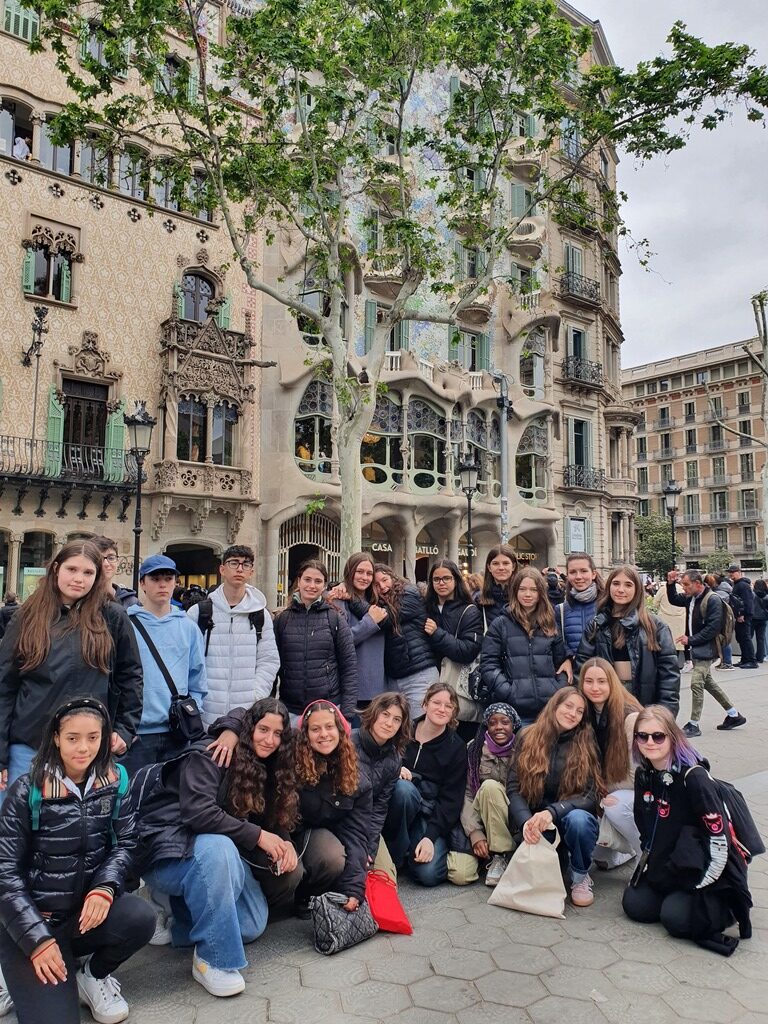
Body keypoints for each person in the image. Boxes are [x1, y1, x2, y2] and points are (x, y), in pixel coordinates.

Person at [0, 698, 155, 1024]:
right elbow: (4, 872)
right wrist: (38, 941)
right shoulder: (28, 791)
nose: (83, 748)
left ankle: (92, 975)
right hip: (34, 922)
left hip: (82, 916)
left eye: (93, 737)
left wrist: (104, 888)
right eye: (73, 738)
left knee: (140, 917)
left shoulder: (115, 781)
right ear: (56, 738)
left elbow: (127, 842)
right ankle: (15, 972)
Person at [137, 698, 301, 996]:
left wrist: (285, 842)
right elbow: (198, 814)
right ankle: (212, 959)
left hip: (211, 855)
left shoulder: (264, 764)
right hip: (167, 850)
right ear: (249, 728)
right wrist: (258, 836)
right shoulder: (212, 753)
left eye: (278, 734)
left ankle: (176, 915)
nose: (269, 740)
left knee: (251, 924)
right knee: (221, 845)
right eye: (263, 730)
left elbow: (269, 817)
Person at [0, 540, 143, 794]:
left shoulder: (112, 616)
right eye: (72, 569)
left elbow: (130, 676)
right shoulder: (26, 616)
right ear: (56, 569)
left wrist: (124, 730)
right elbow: (5, 685)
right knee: (19, 816)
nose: (79, 579)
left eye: (88, 572)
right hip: (30, 745)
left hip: (87, 750)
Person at [622, 705, 752, 955]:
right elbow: (647, 831)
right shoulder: (644, 775)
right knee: (635, 905)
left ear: (672, 736)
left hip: (701, 870)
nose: (650, 742)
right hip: (668, 867)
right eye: (642, 736)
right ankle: (674, 898)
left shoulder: (694, 777)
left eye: (658, 736)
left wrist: (701, 885)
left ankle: (725, 908)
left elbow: (719, 840)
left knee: (676, 920)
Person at [506, 687, 603, 908]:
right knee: (545, 876)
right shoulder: (527, 735)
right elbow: (513, 787)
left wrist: (553, 812)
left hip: (567, 816)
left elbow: (590, 795)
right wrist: (526, 822)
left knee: (580, 821)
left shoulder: (587, 741)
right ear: (555, 705)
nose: (573, 714)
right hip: (535, 820)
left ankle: (580, 876)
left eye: (579, 711)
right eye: (568, 706)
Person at [123, 555, 207, 774]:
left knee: (172, 794)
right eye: (155, 579)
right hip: (135, 734)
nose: (162, 584)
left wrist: (192, 712)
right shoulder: (125, 624)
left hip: (176, 732)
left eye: (168, 579)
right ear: (142, 583)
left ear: (175, 583)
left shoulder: (188, 627)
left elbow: (197, 676)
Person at [382, 683, 467, 887]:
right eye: (436, 703)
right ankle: (395, 855)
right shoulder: (403, 730)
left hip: (429, 814)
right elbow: (380, 760)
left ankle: (414, 850)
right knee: (403, 790)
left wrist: (430, 836)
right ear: (425, 704)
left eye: (448, 706)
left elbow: (451, 800)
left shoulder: (456, 747)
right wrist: (395, 769)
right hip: (397, 805)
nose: (442, 709)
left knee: (429, 874)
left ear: (453, 712)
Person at [291, 701, 372, 915]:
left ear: (340, 730)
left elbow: (356, 832)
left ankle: (310, 895)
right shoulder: (291, 763)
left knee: (337, 857)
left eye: (329, 727)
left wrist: (354, 887)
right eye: (315, 729)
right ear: (306, 734)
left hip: (327, 835)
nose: (324, 734)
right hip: (290, 834)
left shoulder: (355, 774)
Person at [187, 545, 280, 727]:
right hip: (206, 713)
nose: (239, 568)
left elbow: (268, 660)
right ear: (222, 569)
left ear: (251, 572)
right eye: (234, 563)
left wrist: (256, 695)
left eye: (246, 564)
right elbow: (186, 661)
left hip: (245, 713)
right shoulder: (199, 612)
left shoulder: (260, 615)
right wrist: (196, 698)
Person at [575, 565, 680, 717]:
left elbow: (669, 675)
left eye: (628, 585)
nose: (620, 590)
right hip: (604, 701)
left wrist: (666, 713)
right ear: (609, 586)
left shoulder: (655, 626)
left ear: (637, 590)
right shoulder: (597, 625)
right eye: (616, 583)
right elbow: (581, 667)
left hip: (644, 702)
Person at [479, 567, 571, 725]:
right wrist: (507, 691)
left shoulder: (549, 623)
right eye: (522, 589)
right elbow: (488, 663)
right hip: (515, 710)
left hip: (548, 709)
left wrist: (558, 689)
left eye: (533, 590)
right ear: (515, 591)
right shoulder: (501, 624)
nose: (528, 594)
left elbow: (560, 661)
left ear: (540, 593)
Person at [577, 658, 643, 868]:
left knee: (614, 807)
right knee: (602, 859)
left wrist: (603, 791)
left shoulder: (630, 716)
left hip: (637, 790)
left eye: (601, 681)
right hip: (606, 787)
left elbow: (637, 776)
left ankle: (646, 855)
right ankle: (626, 850)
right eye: (589, 681)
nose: (595, 688)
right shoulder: (583, 713)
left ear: (612, 682)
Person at [665, 570, 746, 738]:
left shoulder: (712, 599)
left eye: (686, 584)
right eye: (682, 584)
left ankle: (693, 724)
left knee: (696, 683)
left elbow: (713, 628)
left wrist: (690, 640)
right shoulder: (692, 597)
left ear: (698, 584)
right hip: (698, 647)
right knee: (708, 682)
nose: (683, 588)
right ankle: (734, 715)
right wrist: (670, 584)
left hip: (708, 649)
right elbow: (674, 599)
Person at [273, 559, 357, 720]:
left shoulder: (335, 619)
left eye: (318, 581)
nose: (312, 585)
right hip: (291, 709)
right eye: (307, 580)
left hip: (328, 707)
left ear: (324, 585)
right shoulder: (282, 619)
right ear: (299, 581)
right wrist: (269, 708)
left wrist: (347, 713)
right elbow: (273, 665)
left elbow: (349, 667)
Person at [457, 702, 522, 887]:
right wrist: (475, 833)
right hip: (484, 820)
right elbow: (467, 794)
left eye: (505, 722)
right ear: (487, 726)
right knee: (489, 787)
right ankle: (499, 857)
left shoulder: (524, 749)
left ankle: (505, 853)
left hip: (515, 819)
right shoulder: (474, 750)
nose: (498, 727)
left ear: (514, 725)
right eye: (493, 723)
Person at [353, 692, 411, 879]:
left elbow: (379, 809)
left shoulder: (394, 759)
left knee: (385, 878)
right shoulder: (347, 742)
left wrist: (369, 848)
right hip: (340, 823)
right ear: (374, 713)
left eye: (396, 719)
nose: (389, 723)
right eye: (385, 714)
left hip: (366, 827)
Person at [374, 564, 438, 720]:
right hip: (395, 677)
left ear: (393, 577)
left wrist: (354, 601)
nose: (382, 586)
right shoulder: (380, 602)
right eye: (376, 584)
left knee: (420, 724)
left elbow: (385, 618)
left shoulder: (409, 593)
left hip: (419, 674)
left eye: (385, 580)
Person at [423, 559, 483, 728]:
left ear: (456, 580)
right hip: (428, 683)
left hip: (456, 685)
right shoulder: (425, 608)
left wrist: (437, 634)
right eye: (436, 579)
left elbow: (468, 651)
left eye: (446, 578)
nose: (441, 583)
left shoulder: (469, 611)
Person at [327, 552, 389, 711]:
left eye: (369, 573)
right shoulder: (338, 600)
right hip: (354, 688)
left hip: (380, 688)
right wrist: (370, 622)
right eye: (359, 571)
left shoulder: (377, 600)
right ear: (350, 572)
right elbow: (340, 640)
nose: (364, 577)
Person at [557, 552, 603, 660]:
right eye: (573, 572)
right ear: (567, 576)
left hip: (603, 668)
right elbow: (557, 643)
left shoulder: (607, 606)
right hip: (574, 669)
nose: (578, 577)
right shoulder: (561, 610)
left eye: (583, 571)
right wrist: (567, 658)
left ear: (593, 574)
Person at [473, 545, 519, 627]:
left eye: (506, 563)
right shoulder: (479, 599)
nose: (501, 568)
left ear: (513, 566)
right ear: (489, 567)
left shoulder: (523, 597)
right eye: (495, 563)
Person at [89, 535, 138, 608]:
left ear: (117, 561)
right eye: (99, 558)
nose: (106, 564)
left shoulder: (130, 603)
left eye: (111, 558)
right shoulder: (78, 599)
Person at [727, 564, 758, 668]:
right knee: (741, 638)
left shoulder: (742, 585)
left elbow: (746, 601)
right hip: (740, 615)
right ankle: (745, 659)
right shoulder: (737, 584)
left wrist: (742, 614)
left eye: (733, 572)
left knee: (745, 638)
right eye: (730, 572)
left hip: (743, 616)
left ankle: (751, 660)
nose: (731, 574)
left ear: (739, 572)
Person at [751, 578, 768, 664]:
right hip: (763, 618)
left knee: (749, 637)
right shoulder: (766, 596)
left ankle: (750, 655)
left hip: (753, 618)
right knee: (760, 639)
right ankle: (760, 657)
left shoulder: (752, 594)